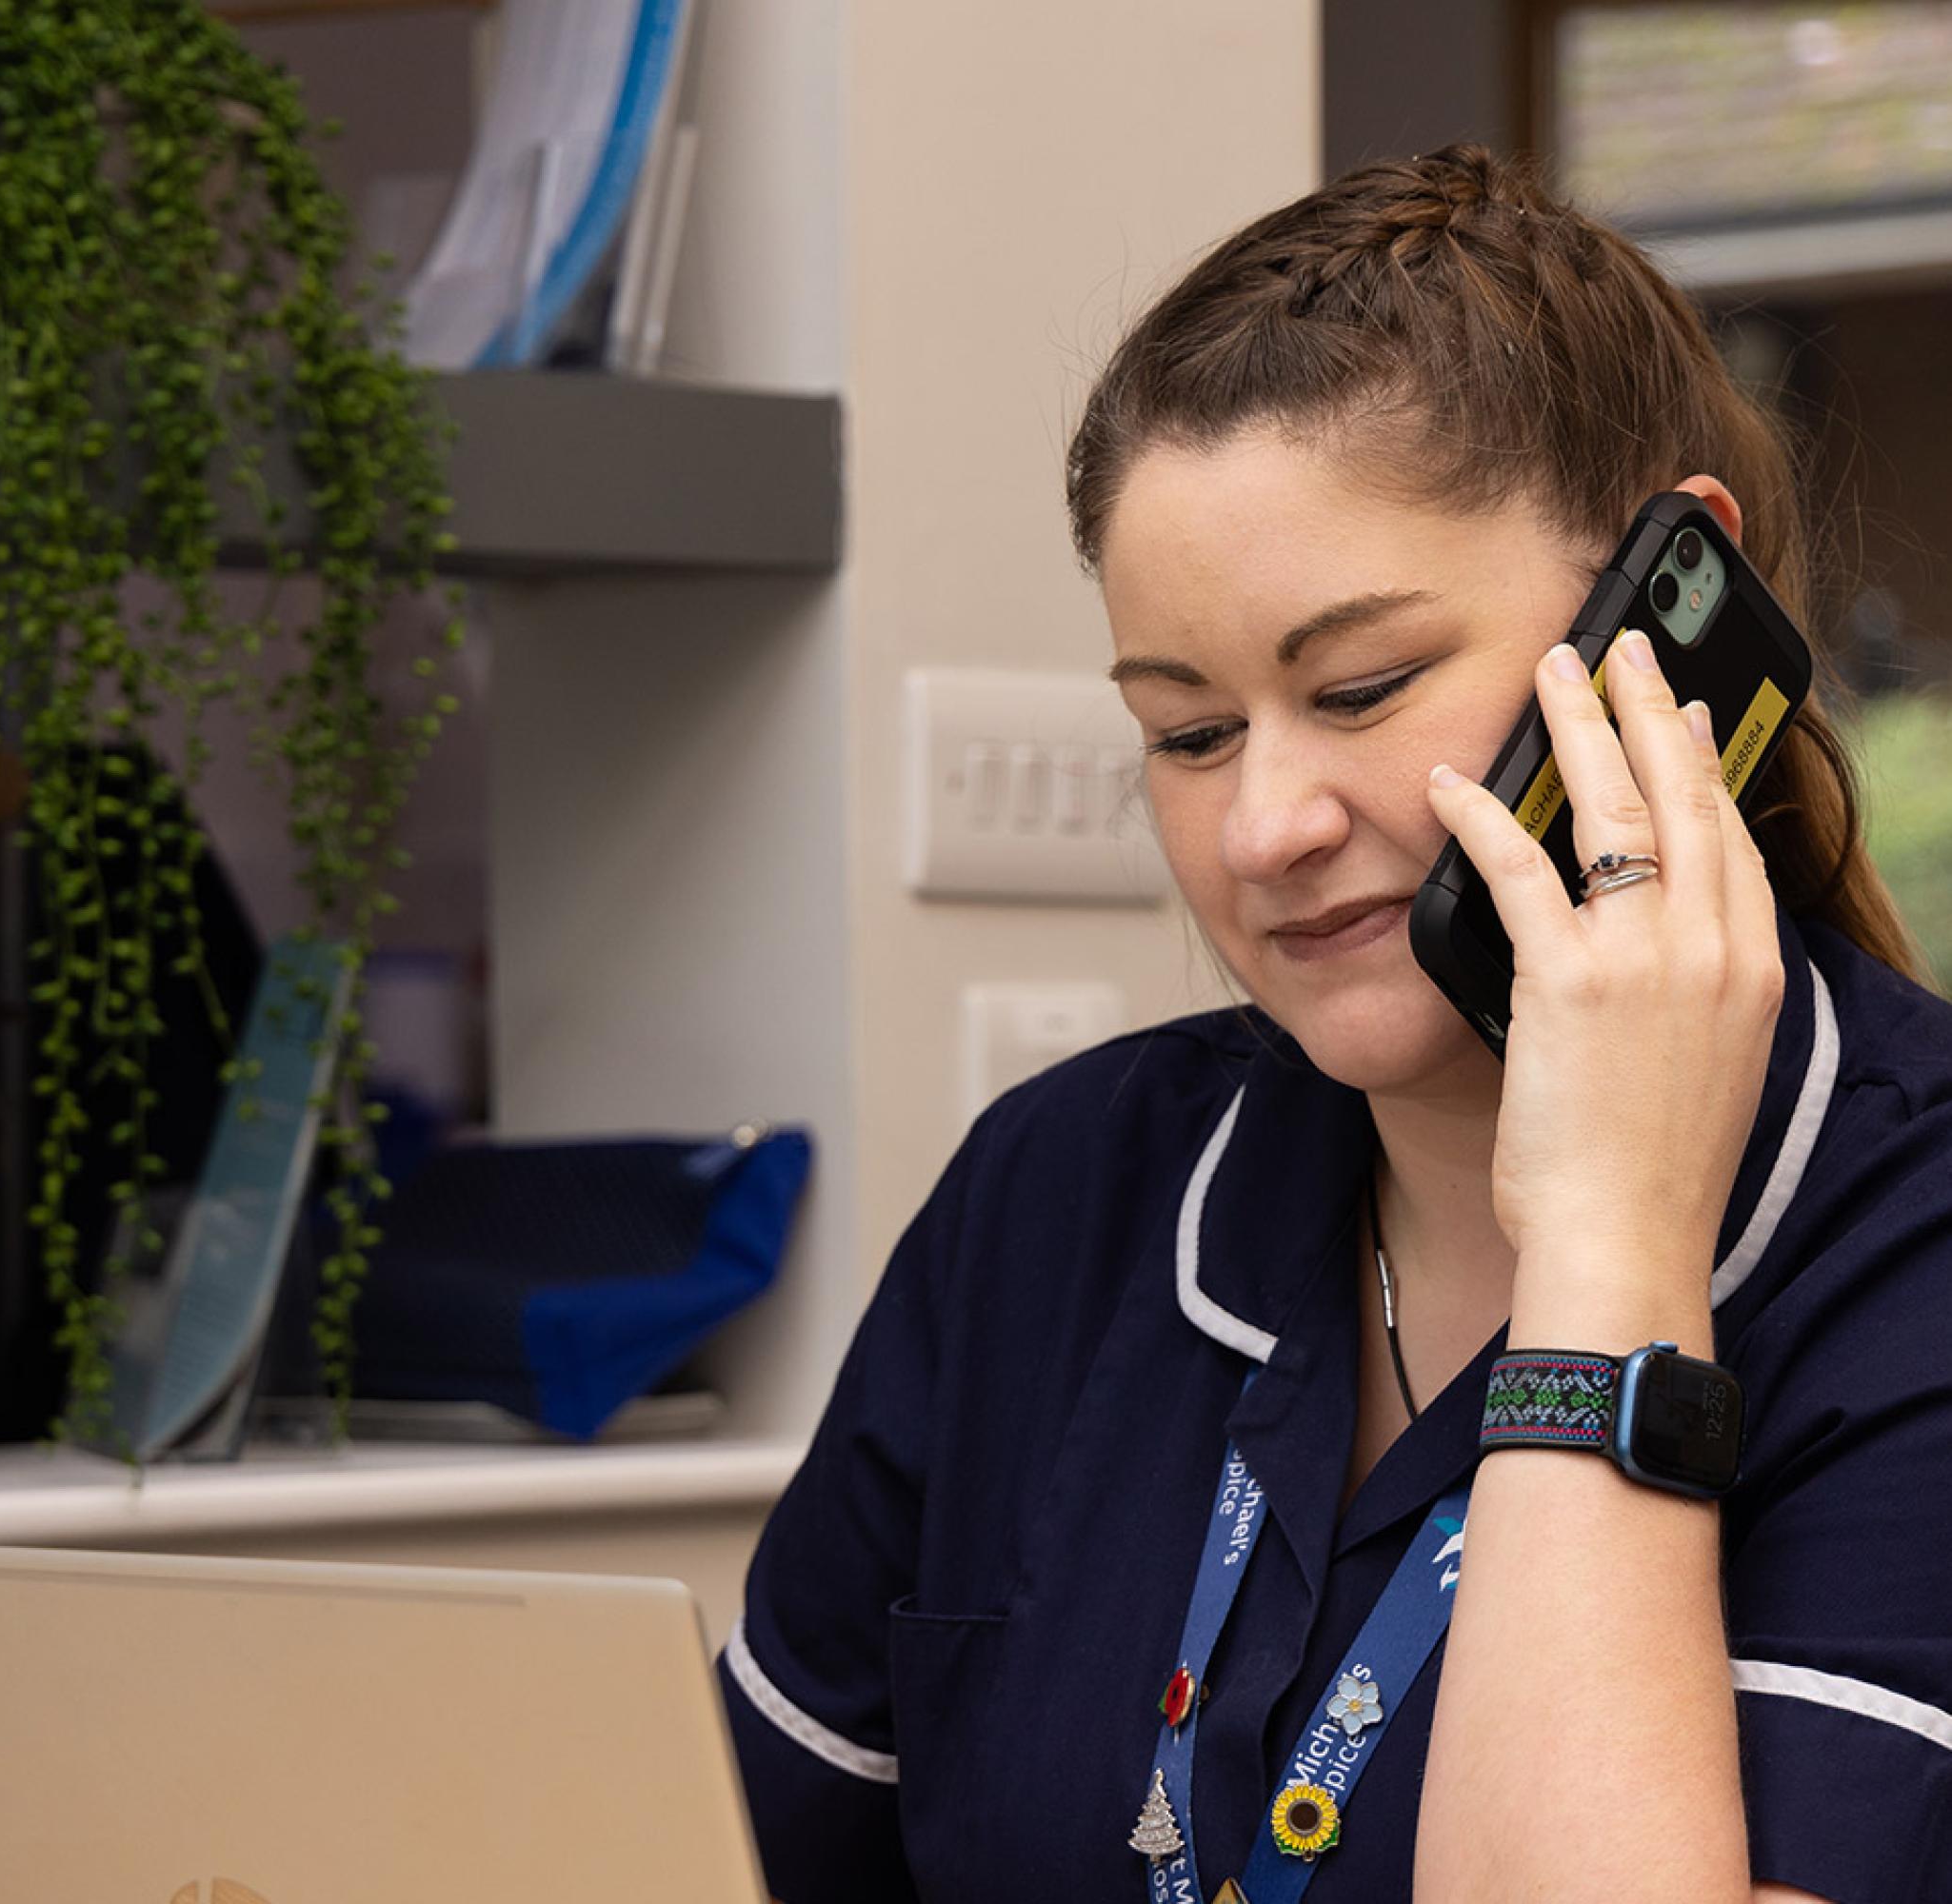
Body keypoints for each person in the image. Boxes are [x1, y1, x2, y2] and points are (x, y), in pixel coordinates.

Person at [716, 144, 1952, 1903]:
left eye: (1358, 689)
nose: (1259, 830)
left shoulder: (1907, 1246)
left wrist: (1604, 1243)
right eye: (1188, 732)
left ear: (1658, 634)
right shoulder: (1063, 1184)